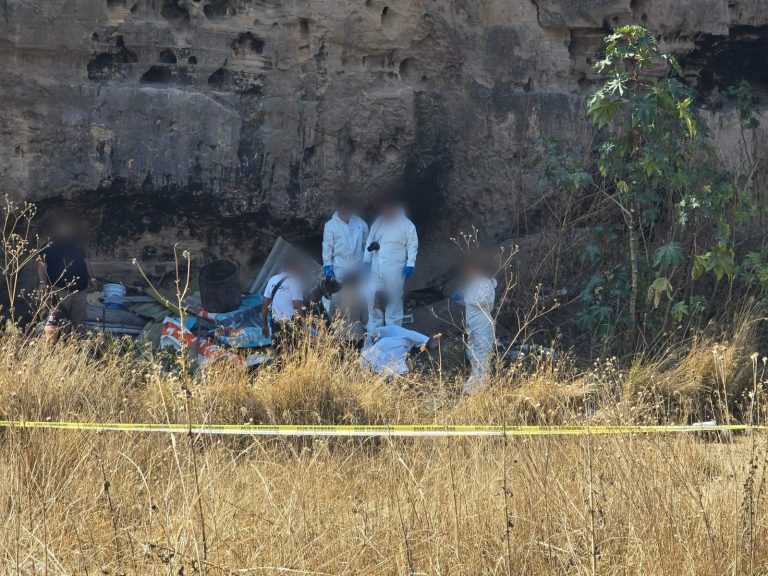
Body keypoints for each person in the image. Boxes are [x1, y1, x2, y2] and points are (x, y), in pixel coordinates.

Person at [37, 215, 96, 344]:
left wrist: (93, 279)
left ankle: (79, 348)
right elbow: (41, 263)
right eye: (63, 228)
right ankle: (53, 349)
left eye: (68, 228)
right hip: (60, 290)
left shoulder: (76, 246)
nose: (66, 230)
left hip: (79, 291)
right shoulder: (49, 245)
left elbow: (86, 262)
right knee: (56, 320)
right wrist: (42, 282)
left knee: (79, 322)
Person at [363, 196, 418, 330]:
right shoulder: (378, 222)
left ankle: (393, 329)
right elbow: (370, 241)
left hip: (395, 269)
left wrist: (410, 264)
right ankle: (375, 329)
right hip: (376, 269)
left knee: (394, 299)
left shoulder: (407, 225)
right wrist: (366, 261)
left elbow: (412, 245)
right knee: (372, 297)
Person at [452, 255, 497, 394]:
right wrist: (462, 299)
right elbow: (472, 303)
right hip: (473, 325)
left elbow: (482, 300)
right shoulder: (474, 283)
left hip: (483, 324)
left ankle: (479, 389)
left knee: (482, 355)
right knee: (473, 354)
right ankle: (474, 388)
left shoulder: (485, 282)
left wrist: (465, 295)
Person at [261, 255, 305, 354]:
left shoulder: (272, 280)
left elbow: (264, 305)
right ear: (293, 267)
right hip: (291, 326)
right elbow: (297, 306)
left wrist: (264, 325)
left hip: (276, 325)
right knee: (294, 355)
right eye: (298, 266)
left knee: (279, 355)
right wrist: (303, 326)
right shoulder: (295, 282)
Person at [360, 324, 439, 377]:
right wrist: (427, 340)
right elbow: (411, 335)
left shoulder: (394, 334)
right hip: (375, 359)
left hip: (366, 359)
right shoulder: (403, 344)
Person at [322, 196, 369, 282]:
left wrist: (367, 261)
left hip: (359, 267)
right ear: (338, 207)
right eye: (343, 207)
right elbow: (327, 247)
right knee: (344, 293)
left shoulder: (361, 224)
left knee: (360, 293)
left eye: (348, 207)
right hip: (340, 268)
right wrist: (327, 265)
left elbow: (366, 245)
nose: (346, 210)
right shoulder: (330, 225)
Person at [329, 272, 368, 350]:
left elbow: (331, 317)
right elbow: (365, 319)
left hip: (339, 334)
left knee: (340, 360)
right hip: (357, 335)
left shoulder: (335, 296)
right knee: (354, 359)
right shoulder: (361, 298)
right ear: (356, 283)